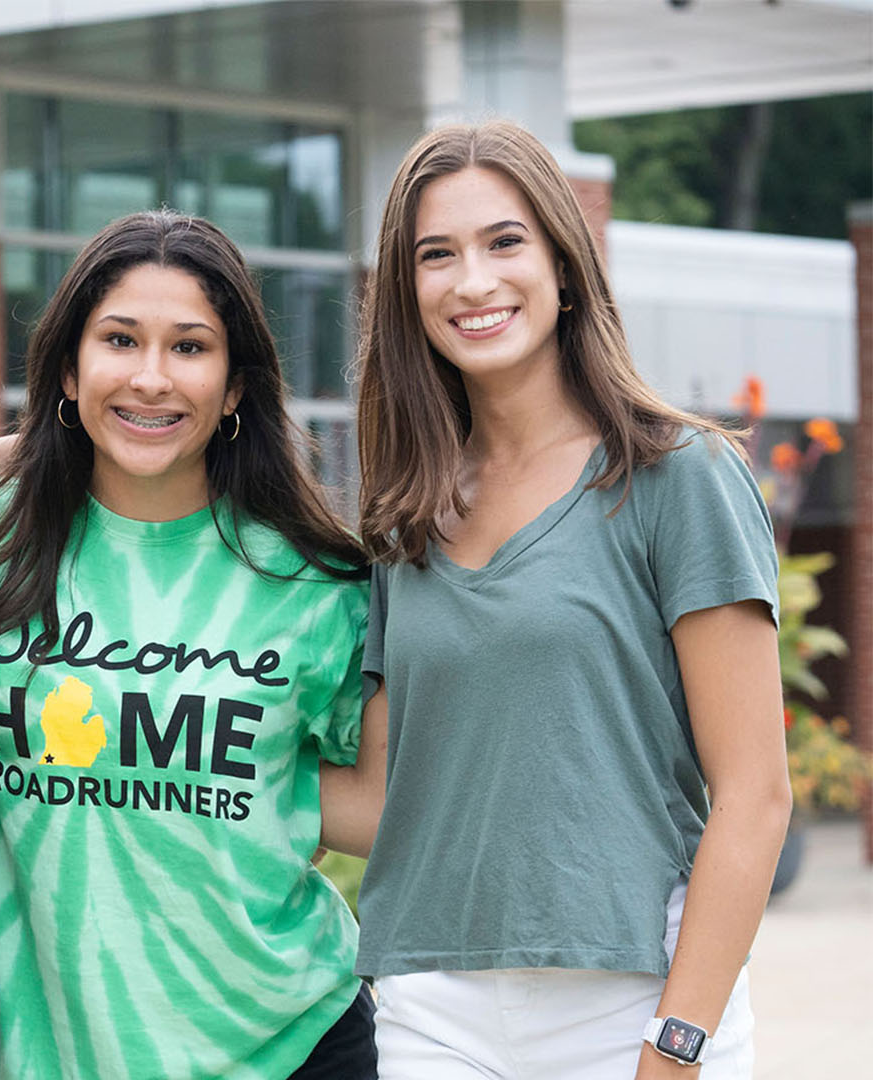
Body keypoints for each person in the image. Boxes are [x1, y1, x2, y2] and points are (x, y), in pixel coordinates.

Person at [353, 121, 787, 1078]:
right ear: (406, 291)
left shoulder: (677, 476)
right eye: (436, 255)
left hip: (634, 1000)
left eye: (503, 242)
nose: (473, 282)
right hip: (434, 1008)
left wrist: (678, 1042)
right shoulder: (403, 516)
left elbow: (755, 795)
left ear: (563, 263)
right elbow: (385, 799)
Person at [0, 210, 383, 1079]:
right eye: (119, 340)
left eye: (189, 347)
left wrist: (249, 794)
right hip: (39, 1049)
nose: (151, 378)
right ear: (69, 369)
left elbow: (370, 808)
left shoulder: (314, 579)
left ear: (235, 387)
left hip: (286, 1041)